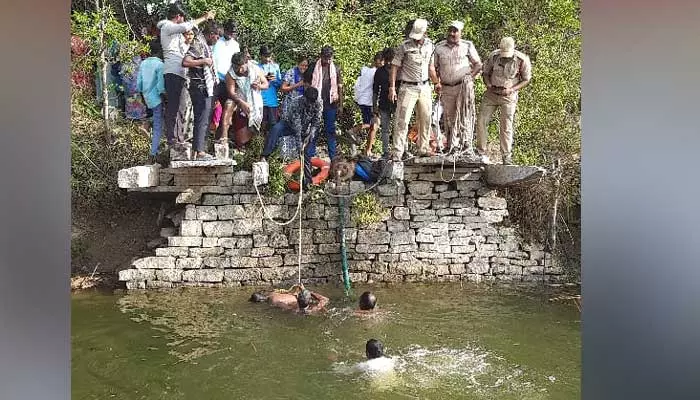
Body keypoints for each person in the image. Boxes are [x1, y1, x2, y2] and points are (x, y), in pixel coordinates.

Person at [157, 4, 215, 157]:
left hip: (181, 74)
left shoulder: (175, 35)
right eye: (181, 17)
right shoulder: (167, 26)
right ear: (177, 16)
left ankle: (179, 137)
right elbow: (186, 26)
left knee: (181, 107)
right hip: (172, 72)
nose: (182, 20)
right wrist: (204, 17)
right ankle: (172, 138)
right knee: (174, 106)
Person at [475, 37, 532, 165]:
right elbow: (485, 73)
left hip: (508, 96)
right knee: (481, 121)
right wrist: (489, 85)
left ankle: (506, 156)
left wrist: (512, 89)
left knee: (506, 126)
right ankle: (481, 152)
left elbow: (526, 79)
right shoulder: (494, 56)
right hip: (491, 94)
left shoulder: (522, 60)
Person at [389, 18, 439, 161]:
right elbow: (394, 66)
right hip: (407, 87)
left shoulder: (431, 46)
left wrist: (436, 83)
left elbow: (431, 67)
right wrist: (392, 87)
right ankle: (398, 151)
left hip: (424, 86)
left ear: (425, 33)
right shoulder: (404, 46)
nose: (417, 40)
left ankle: (423, 148)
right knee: (402, 120)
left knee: (426, 118)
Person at [433, 21, 482, 158]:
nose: (452, 34)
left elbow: (478, 64)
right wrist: (436, 82)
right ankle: (451, 145)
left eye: (455, 31)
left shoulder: (467, 46)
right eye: (450, 30)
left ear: (460, 33)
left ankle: (466, 144)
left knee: (465, 115)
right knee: (449, 117)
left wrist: (470, 78)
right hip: (447, 87)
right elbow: (433, 67)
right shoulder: (439, 47)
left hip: (463, 86)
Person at [260, 81, 322, 189]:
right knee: (275, 129)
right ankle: (265, 155)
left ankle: (307, 180)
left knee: (305, 154)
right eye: (309, 102)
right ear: (305, 98)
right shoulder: (296, 103)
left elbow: (316, 121)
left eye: (313, 102)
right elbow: (296, 127)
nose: (311, 105)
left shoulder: (318, 103)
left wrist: (310, 134)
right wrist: (300, 146)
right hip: (289, 124)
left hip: (305, 128)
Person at [181, 22, 220, 161]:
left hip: (204, 86)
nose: (217, 40)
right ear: (211, 35)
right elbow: (185, 61)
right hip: (199, 85)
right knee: (202, 118)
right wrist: (203, 60)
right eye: (216, 37)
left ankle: (198, 150)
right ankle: (200, 152)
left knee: (202, 118)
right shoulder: (198, 44)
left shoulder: (204, 44)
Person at [226, 51, 269, 150]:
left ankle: (252, 152)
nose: (240, 70)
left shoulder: (255, 69)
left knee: (255, 132)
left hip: (256, 104)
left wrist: (258, 86)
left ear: (246, 63)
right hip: (240, 103)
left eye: (242, 67)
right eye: (237, 67)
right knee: (241, 137)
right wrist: (241, 102)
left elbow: (266, 84)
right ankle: (240, 149)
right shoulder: (230, 74)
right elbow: (231, 92)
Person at [309, 45, 344, 161]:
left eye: (330, 58)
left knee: (330, 130)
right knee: (314, 129)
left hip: (331, 104)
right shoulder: (313, 66)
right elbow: (307, 84)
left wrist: (340, 105)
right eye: (326, 58)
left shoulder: (336, 68)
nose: (328, 61)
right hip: (316, 103)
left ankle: (332, 157)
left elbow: (340, 88)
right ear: (321, 56)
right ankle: (310, 155)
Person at [211, 20, 241, 145]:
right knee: (209, 109)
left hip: (229, 81)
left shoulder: (235, 45)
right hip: (215, 80)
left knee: (227, 111)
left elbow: (237, 64)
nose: (231, 34)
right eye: (229, 32)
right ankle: (205, 140)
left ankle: (221, 140)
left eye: (233, 33)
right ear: (225, 30)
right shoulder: (217, 42)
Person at [137, 39, 166, 162]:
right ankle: (153, 153)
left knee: (156, 119)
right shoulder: (160, 65)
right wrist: (165, 98)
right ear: (161, 51)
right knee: (159, 125)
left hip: (146, 96)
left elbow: (139, 83)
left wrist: (142, 96)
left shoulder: (143, 63)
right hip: (157, 98)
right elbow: (160, 86)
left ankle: (147, 125)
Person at [351, 52, 383, 156]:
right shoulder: (376, 72)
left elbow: (357, 85)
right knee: (374, 124)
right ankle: (353, 131)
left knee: (373, 126)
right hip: (369, 102)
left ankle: (368, 150)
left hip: (362, 100)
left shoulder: (364, 70)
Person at [372, 47, 396, 159]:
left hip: (397, 103)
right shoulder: (379, 72)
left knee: (399, 127)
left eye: (391, 60)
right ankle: (385, 151)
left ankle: (401, 150)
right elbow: (375, 90)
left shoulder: (398, 70)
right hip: (383, 103)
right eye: (387, 60)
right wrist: (374, 106)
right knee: (385, 129)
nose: (389, 62)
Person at [249, 284, 329, 315]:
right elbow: (325, 299)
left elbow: (280, 303)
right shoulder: (314, 309)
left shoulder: (291, 308)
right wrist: (309, 292)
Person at [258, 45, 283, 132]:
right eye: (265, 56)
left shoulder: (275, 67)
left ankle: (272, 143)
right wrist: (264, 78)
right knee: (262, 124)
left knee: (273, 124)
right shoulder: (257, 67)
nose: (268, 59)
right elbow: (253, 83)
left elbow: (280, 84)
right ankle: (259, 142)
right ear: (260, 55)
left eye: (269, 56)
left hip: (272, 100)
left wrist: (275, 80)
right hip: (261, 100)